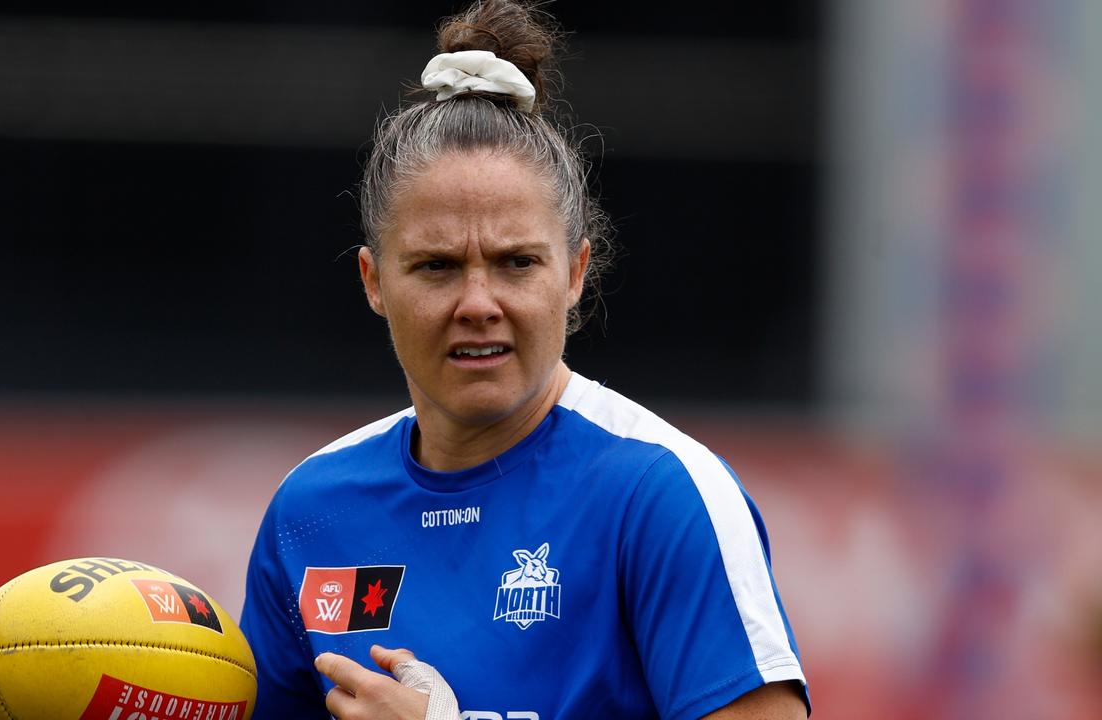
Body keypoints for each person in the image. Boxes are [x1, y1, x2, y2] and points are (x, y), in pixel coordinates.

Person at [238, 2, 809, 719]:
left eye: (516, 263)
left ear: (573, 275)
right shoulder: (311, 512)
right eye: (437, 266)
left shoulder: (660, 493)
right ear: (373, 282)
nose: (478, 302)